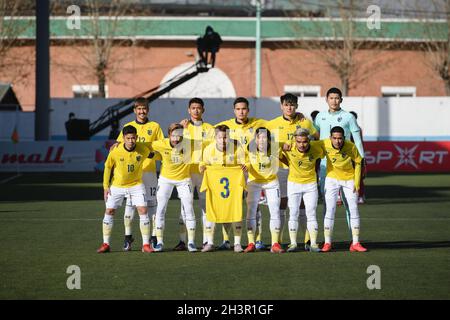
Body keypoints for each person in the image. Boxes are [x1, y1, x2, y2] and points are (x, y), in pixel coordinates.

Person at [267, 93, 319, 249]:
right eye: (286, 104)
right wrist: (281, 144)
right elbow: (265, 142)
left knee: (304, 206)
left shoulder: (305, 122)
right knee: (282, 205)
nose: (289, 107)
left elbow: (317, 138)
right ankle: (280, 240)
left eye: (292, 104)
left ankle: (308, 240)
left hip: (302, 171)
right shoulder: (272, 124)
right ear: (281, 106)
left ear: (297, 106)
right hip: (281, 169)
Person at [215, 97, 267, 250]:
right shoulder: (225, 126)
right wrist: (185, 126)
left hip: (252, 171)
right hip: (233, 172)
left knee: (254, 206)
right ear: (234, 111)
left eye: (244, 109)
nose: (241, 111)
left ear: (248, 110)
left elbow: (277, 126)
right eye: (238, 109)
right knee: (229, 205)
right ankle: (226, 240)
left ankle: (257, 240)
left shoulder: (259, 123)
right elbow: (204, 134)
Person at [314, 88, 365, 238]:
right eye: (331, 98)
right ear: (326, 99)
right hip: (325, 166)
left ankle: (353, 240)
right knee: (327, 204)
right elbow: (316, 136)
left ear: (341, 100)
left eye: (337, 98)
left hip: (346, 166)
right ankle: (326, 239)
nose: (334, 101)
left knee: (350, 204)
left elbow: (357, 141)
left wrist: (362, 162)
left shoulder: (348, 117)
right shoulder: (319, 117)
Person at [115, 97, 164, 251]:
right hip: (132, 174)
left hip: (149, 173)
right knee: (130, 205)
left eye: (144, 108)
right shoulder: (128, 127)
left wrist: (153, 156)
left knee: (152, 205)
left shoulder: (155, 126)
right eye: (139, 109)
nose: (142, 111)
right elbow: (119, 146)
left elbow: (161, 148)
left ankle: (154, 237)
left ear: (148, 110)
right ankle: (128, 237)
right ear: (134, 110)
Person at [97, 125, 154, 254]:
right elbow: (107, 168)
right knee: (109, 211)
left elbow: (153, 155)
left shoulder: (142, 149)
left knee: (143, 210)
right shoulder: (115, 151)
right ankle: (106, 244)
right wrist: (106, 187)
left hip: (136, 185)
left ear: (136, 138)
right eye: (128, 138)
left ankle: (145, 244)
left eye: (133, 138)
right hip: (117, 186)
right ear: (123, 138)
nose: (131, 141)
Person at [150, 123, 198, 253]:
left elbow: (208, 142)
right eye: (173, 136)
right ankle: (159, 242)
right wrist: (119, 144)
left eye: (179, 135)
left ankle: (191, 242)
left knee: (189, 209)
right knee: (160, 209)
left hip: (184, 180)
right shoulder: (161, 143)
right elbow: (145, 145)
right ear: (169, 135)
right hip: (165, 180)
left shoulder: (189, 143)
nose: (176, 139)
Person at [174, 98, 214, 250]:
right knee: (185, 206)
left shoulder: (210, 129)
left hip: (204, 172)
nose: (196, 110)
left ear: (203, 110)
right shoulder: (181, 127)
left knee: (205, 206)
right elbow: (175, 146)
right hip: (186, 172)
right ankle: (183, 241)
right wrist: (181, 130)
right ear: (188, 110)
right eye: (193, 108)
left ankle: (206, 240)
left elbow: (212, 150)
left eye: (199, 108)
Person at [199, 124, 247, 253]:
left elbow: (245, 164)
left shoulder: (238, 149)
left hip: (233, 188)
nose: (223, 140)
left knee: (235, 211)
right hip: (215, 189)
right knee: (211, 212)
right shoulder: (208, 150)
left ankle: (237, 243)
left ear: (229, 137)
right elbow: (202, 164)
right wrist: (203, 167)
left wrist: (244, 167)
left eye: (225, 137)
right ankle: (210, 242)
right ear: (216, 137)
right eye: (220, 137)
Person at [321, 126, 367, 252]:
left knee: (353, 209)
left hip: (349, 179)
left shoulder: (350, 146)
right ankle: (327, 243)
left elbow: (359, 161)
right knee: (330, 210)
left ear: (344, 138)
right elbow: (308, 145)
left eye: (340, 138)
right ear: (330, 138)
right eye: (334, 138)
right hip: (331, 179)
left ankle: (356, 243)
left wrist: (357, 182)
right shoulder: (324, 143)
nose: (337, 141)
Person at [243, 127, 285, 254]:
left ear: (268, 139)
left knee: (274, 210)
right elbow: (245, 162)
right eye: (259, 137)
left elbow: (286, 156)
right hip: (254, 182)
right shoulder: (248, 149)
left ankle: (275, 244)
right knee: (251, 212)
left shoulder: (275, 148)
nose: (261, 140)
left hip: (271, 182)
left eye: (264, 137)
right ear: (255, 139)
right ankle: (251, 243)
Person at [282, 128, 323, 253]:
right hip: (294, 184)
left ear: (309, 141)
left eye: (305, 141)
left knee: (311, 213)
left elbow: (320, 157)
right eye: (299, 141)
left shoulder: (316, 148)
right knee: (293, 213)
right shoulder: (289, 147)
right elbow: (276, 150)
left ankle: (314, 244)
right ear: (295, 140)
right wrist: (289, 162)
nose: (302, 144)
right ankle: (293, 243)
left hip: (310, 184)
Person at [349, 111, 366, 204]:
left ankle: (360, 195)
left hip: (357, 156)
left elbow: (360, 143)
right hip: (347, 155)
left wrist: (363, 156)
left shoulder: (358, 129)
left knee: (359, 177)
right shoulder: (346, 128)